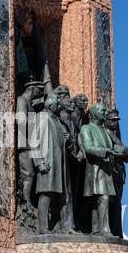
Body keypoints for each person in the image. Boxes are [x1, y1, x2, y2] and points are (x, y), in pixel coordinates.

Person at [32, 93, 75, 234]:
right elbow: (34, 141)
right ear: (50, 105)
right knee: (46, 195)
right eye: (57, 104)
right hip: (48, 163)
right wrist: (39, 163)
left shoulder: (57, 121)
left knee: (64, 195)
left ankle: (67, 226)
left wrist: (67, 140)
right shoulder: (41, 117)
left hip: (60, 165)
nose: (59, 106)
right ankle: (43, 227)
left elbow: (64, 142)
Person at [79, 103, 123, 237]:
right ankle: (105, 230)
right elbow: (88, 147)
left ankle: (96, 229)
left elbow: (117, 146)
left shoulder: (105, 131)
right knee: (103, 198)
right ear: (94, 113)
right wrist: (106, 151)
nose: (105, 113)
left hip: (106, 170)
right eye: (102, 111)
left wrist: (118, 150)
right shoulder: (86, 128)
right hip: (95, 169)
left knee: (100, 199)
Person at [105, 109, 128, 237]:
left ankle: (117, 231)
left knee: (116, 204)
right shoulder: (105, 134)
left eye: (116, 121)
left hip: (119, 174)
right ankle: (113, 230)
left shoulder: (115, 135)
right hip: (110, 172)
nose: (115, 123)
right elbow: (117, 151)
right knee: (112, 204)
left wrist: (124, 151)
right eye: (112, 120)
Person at [16, 81, 45, 205]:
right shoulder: (22, 100)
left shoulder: (29, 103)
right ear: (32, 90)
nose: (41, 94)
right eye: (39, 91)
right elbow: (21, 120)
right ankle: (26, 201)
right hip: (25, 143)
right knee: (29, 174)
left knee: (32, 173)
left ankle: (28, 199)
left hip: (31, 143)